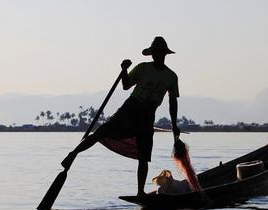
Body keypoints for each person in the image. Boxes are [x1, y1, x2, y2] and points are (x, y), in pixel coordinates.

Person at [61, 36, 180, 196]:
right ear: (152, 54)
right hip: (131, 108)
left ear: (164, 54)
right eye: (155, 53)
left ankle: (140, 192)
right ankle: (72, 154)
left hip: (148, 115)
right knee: (101, 133)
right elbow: (125, 85)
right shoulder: (143, 68)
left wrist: (174, 125)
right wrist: (124, 70)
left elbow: (173, 102)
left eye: (160, 53)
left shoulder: (171, 77)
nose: (157, 55)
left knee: (144, 156)